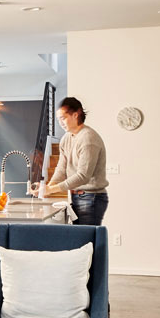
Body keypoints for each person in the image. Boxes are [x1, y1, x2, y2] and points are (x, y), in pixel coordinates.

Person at [39, 96, 109, 225]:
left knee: (87, 241)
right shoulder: (67, 138)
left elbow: (83, 176)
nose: (60, 122)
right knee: (82, 240)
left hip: (91, 197)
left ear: (76, 115)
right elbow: (61, 168)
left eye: (63, 118)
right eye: (58, 119)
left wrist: (52, 189)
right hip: (77, 196)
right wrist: (48, 188)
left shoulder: (88, 138)